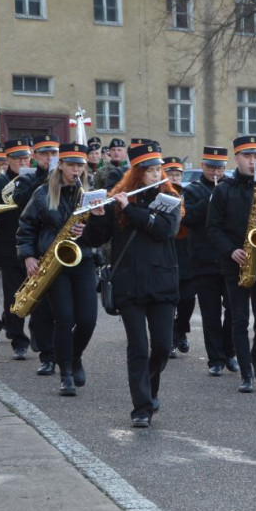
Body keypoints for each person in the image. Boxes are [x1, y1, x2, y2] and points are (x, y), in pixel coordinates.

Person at [83, 143, 182, 427]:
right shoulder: (117, 201)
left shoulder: (170, 199)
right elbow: (95, 239)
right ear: (136, 174)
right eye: (149, 171)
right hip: (129, 285)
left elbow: (165, 230)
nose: (155, 175)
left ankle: (149, 389)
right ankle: (141, 407)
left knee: (162, 346)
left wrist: (134, 210)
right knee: (138, 347)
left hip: (162, 283)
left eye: (157, 170)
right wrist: (97, 217)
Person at [16, 142, 99, 396]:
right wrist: (29, 256)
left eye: (80, 165)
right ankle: (66, 374)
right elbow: (26, 226)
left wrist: (92, 226)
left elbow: (102, 235)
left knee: (87, 320)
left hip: (82, 260)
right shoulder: (42, 193)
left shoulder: (90, 193)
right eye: (71, 164)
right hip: (52, 262)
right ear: (60, 164)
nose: (76, 169)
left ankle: (74, 357)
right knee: (64, 319)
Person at [205, 136, 256, 393]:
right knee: (239, 319)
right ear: (237, 158)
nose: (253, 162)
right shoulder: (223, 189)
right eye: (247, 157)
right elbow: (213, 228)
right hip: (235, 261)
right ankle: (246, 373)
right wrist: (231, 251)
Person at [181, 146, 238, 376]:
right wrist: (212, 199)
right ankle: (215, 358)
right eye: (211, 167)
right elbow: (189, 218)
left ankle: (230, 351)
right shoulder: (193, 190)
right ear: (203, 166)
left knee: (234, 309)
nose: (216, 172)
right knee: (210, 311)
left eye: (220, 168)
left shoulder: (232, 189)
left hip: (229, 256)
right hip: (203, 258)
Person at [13, 134, 60, 377]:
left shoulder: (71, 178)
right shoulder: (27, 178)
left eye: (53, 153)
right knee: (41, 307)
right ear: (35, 156)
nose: (49, 158)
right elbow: (19, 202)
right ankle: (47, 357)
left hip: (62, 252)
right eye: (44, 154)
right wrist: (43, 179)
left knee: (64, 309)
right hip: (39, 252)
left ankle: (62, 353)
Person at [0, 138, 34, 360]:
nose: (23, 162)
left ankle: (41, 338)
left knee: (38, 294)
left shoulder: (37, 181)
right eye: (18, 159)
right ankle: (18, 340)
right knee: (13, 295)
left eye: (26, 157)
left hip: (35, 244)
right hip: (8, 245)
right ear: (9, 161)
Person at [162, 156, 194, 357]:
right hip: (166, 253)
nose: (174, 178)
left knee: (188, 299)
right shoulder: (158, 195)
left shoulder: (188, 194)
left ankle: (181, 330)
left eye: (177, 174)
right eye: (170, 174)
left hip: (186, 253)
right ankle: (169, 338)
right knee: (167, 300)